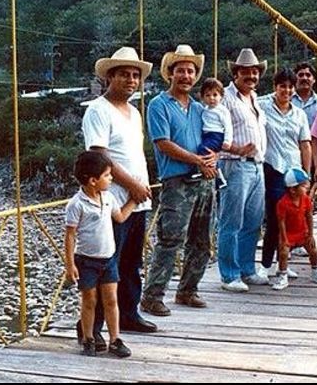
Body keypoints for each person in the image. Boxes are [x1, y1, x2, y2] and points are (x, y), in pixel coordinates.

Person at [80, 46, 157, 341]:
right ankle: (91, 328)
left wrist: (141, 188)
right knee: (104, 265)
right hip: (110, 201)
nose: (131, 80)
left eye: (135, 75)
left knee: (131, 263)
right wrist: (133, 186)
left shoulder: (135, 112)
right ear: (109, 77)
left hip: (136, 201)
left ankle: (128, 314)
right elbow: (101, 158)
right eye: (124, 74)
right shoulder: (98, 110)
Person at [142, 44, 216, 316]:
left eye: (191, 71)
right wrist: (198, 160)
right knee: (170, 238)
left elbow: (214, 135)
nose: (186, 76)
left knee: (202, 240)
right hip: (177, 182)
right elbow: (163, 144)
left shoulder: (200, 107)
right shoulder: (158, 105)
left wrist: (213, 157)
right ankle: (152, 296)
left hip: (204, 180)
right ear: (170, 74)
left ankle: (187, 290)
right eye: (181, 71)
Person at [65, 151, 135, 357]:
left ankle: (115, 339)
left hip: (108, 259)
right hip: (87, 260)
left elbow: (120, 217)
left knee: (111, 299)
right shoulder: (76, 205)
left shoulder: (108, 197)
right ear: (93, 180)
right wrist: (70, 265)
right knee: (89, 300)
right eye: (107, 176)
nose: (111, 179)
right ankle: (88, 338)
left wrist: (133, 200)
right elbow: (70, 236)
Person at [217, 48, 269, 292]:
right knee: (231, 221)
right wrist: (237, 150)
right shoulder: (224, 98)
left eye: (255, 72)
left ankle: (247, 269)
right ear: (235, 73)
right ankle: (229, 274)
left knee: (253, 222)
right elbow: (213, 133)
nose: (251, 76)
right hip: (234, 165)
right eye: (246, 72)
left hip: (257, 166)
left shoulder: (254, 98)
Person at [258, 68, 312, 281]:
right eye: (283, 86)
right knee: (274, 218)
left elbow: (305, 144)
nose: (287, 90)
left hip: (294, 172)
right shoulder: (263, 106)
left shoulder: (299, 113)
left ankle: (284, 264)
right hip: (273, 169)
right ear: (275, 87)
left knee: (292, 220)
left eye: (290, 87)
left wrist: (306, 176)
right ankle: (264, 264)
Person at [271, 168, 317, 291]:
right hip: (288, 233)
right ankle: (283, 275)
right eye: (303, 186)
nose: (307, 188)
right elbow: (281, 223)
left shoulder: (306, 200)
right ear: (292, 189)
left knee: (313, 250)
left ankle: (315, 271)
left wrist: (311, 234)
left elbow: (309, 217)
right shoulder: (283, 203)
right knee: (283, 252)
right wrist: (284, 239)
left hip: (303, 232)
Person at [194, 77, 231, 188]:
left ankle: (212, 173)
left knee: (203, 150)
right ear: (203, 97)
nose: (212, 98)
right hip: (207, 135)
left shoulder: (222, 110)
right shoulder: (205, 109)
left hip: (216, 135)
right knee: (210, 155)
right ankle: (218, 178)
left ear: (221, 96)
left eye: (215, 95)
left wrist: (227, 141)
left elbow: (228, 126)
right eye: (208, 95)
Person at [292, 61, 317, 128]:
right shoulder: (287, 100)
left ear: (314, 80)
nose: (304, 78)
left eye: (308, 75)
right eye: (300, 75)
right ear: (294, 79)